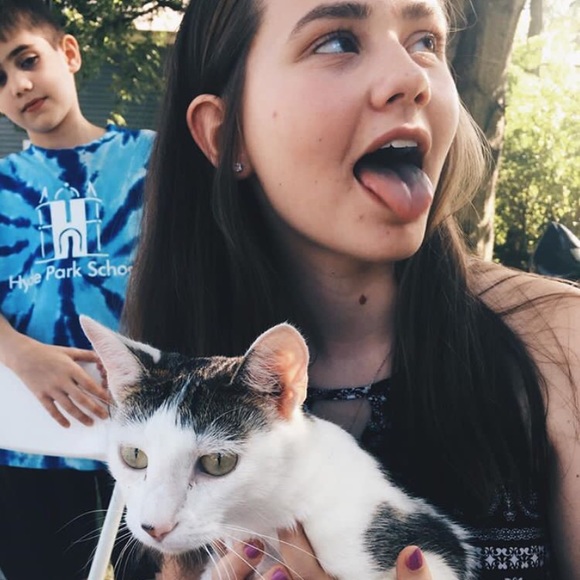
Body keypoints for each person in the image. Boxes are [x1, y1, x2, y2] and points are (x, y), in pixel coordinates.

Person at [123, 0, 580, 578]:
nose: (412, 78)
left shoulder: (562, 342)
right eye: (338, 41)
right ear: (226, 135)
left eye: (426, 41)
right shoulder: (164, 383)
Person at [0, 1, 156, 578]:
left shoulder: (155, 158)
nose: (19, 84)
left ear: (68, 53)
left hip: (150, 436)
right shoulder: (3, 186)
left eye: (27, 60)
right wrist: (21, 353)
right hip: (31, 442)